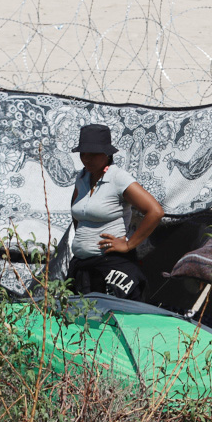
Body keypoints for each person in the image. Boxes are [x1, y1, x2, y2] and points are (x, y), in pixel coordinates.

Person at [67, 123, 164, 300]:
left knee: (109, 321)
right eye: (83, 154)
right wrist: (83, 240)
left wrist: (128, 244)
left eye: (93, 154)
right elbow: (78, 215)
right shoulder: (82, 178)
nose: (87, 159)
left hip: (110, 268)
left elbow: (155, 211)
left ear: (107, 154)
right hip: (82, 266)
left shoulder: (118, 178)